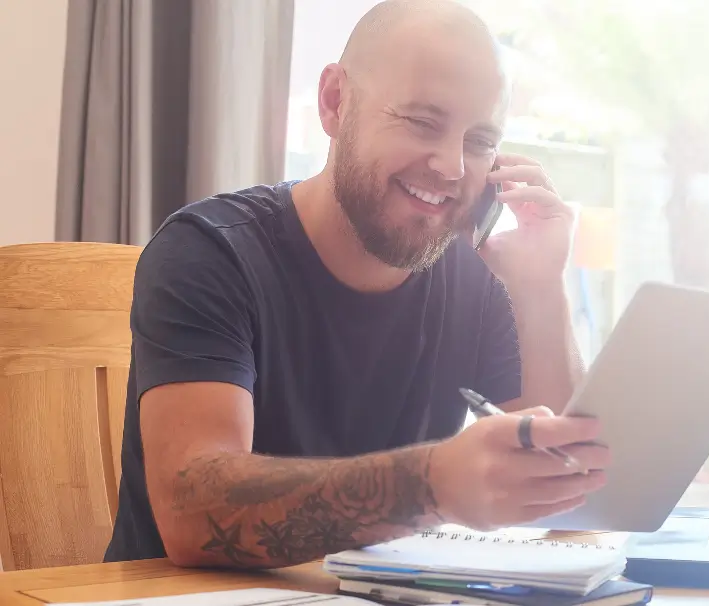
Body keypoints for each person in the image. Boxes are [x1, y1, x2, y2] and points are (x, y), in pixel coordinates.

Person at [103, 0, 609, 569]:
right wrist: (431, 485)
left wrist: (541, 288)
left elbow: (574, 498)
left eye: (478, 141)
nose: (450, 166)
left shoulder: (478, 273)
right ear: (335, 102)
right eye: (423, 122)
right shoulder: (210, 251)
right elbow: (193, 513)